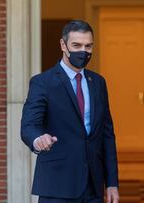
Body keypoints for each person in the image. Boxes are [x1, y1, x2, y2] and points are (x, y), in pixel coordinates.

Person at [21, 20, 119, 203]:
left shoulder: (98, 83)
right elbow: (29, 125)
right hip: (57, 185)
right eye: (77, 45)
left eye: (88, 46)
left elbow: (107, 135)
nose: (83, 51)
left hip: (93, 186)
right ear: (63, 45)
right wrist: (38, 139)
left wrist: (112, 183)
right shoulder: (43, 82)